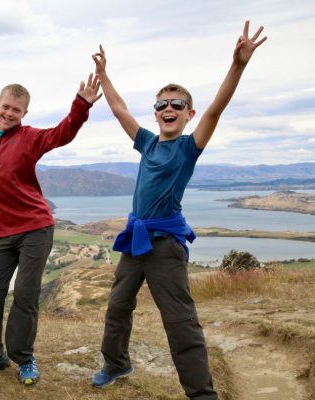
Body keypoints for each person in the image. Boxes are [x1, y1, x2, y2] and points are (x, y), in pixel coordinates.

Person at [90, 21, 266, 399]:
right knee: (117, 309)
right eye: (162, 105)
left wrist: (238, 65)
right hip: (135, 242)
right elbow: (119, 109)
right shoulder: (148, 143)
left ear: (188, 113)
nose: (168, 108)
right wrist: (104, 75)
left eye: (177, 105)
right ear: (155, 114)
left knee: (180, 322)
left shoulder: (188, 147)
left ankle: (201, 394)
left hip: (165, 246)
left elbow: (217, 111)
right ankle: (117, 364)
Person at [0, 77, 102, 385]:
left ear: (24, 114)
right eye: (6, 107)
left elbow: (62, 133)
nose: (9, 113)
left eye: (17, 110)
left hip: (36, 227)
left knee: (25, 294)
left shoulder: (30, 138)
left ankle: (24, 357)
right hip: (3, 234)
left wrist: (82, 104)